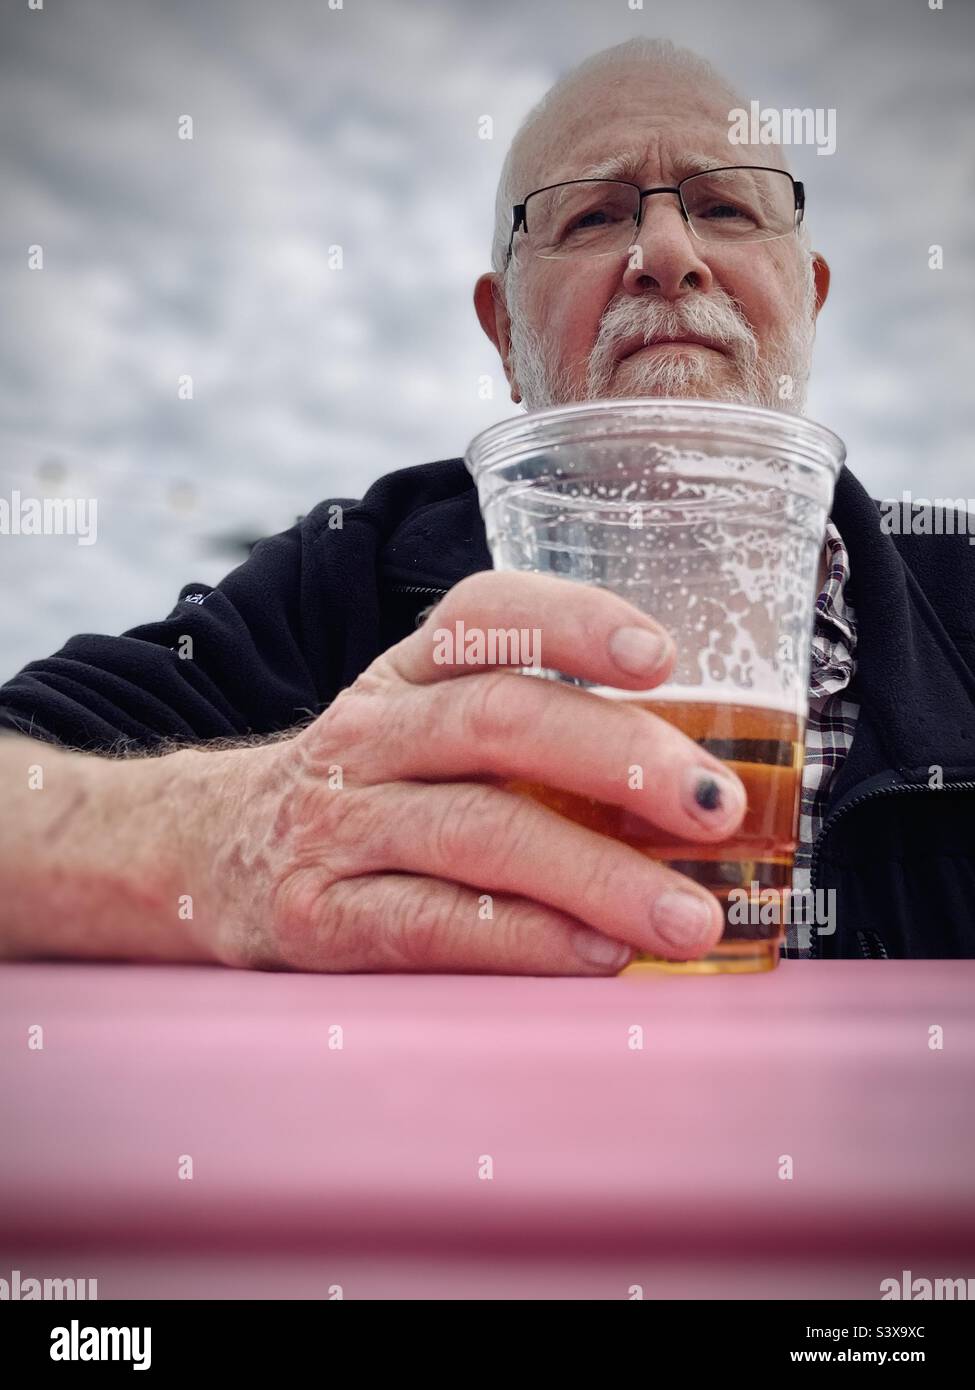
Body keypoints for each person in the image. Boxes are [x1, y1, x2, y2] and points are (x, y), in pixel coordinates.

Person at [2, 38, 974, 971]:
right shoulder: (346, 581)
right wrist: (248, 831)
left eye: (724, 207)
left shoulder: (960, 589)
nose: (668, 252)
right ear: (503, 331)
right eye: (592, 216)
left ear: (810, 296)